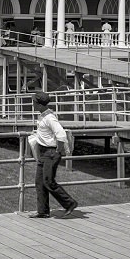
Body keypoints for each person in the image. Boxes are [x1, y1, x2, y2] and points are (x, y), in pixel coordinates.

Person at [28, 91, 78, 219]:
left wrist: (57, 151)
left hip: (50, 152)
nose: (32, 103)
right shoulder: (43, 115)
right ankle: (43, 211)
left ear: (39, 104)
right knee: (39, 182)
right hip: (43, 152)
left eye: (34, 101)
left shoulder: (49, 117)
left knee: (48, 181)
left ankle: (69, 203)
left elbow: (61, 134)